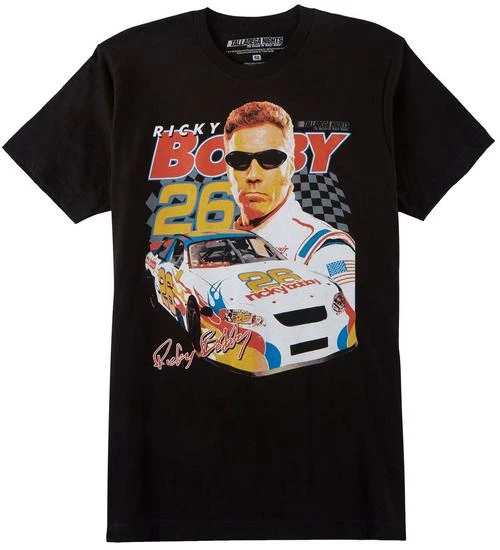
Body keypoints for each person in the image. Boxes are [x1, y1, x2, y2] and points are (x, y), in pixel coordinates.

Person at [223, 100, 356, 330]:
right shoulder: (221, 243)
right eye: (240, 161)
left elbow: (348, 332)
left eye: (270, 159)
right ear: (228, 169)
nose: (253, 175)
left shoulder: (325, 249)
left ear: (291, 167)